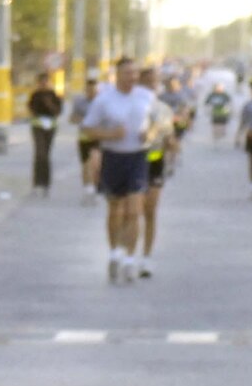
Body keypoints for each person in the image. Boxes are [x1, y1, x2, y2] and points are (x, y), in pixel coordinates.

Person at [79, 55, 158, 283]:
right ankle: (114, 252)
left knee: (134, 211)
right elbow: (87, 129)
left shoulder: (146, 96)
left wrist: (150, 133)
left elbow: (159, 121)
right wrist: (110, 135)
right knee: (116, 210)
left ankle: (129, 260)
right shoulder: (104, 100)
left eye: (134, 73)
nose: (131, 77)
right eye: (127, 73)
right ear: (117, 75)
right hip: (113, 157)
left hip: (138, 157)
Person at [135, 66, 177, 277]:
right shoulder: (131, 106)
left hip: (155, 161)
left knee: (150, 210)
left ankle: (146, 259)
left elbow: (169, 138)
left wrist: (172, 149)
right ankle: (128, 254)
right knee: (133, 211)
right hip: (133, 161)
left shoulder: (164, 109)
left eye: (154, 82)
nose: (152, 85)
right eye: (147, 81)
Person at [26, 71, 63, 196]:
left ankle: (46, 183)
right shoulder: (35, 95)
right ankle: (37, 183)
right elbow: (31, 109)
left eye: (45, 81)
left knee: (46, 155)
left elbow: (58, 111)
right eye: (41, 82)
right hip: (38, 126)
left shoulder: (53, 95)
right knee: (39, 153)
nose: (43, 84)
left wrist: (49, 104)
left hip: (50, 127)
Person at [68, 74, 101, 204]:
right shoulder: (79, 102)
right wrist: (83, 120)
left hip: (99, 136)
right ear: (85, 90)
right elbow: (72, 119)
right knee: (86, 164)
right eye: (88, 90)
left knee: (96, 163)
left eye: (93, 90)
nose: (91, 92)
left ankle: (96, 187)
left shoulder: (102, 102)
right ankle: (88, 188)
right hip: (84, 137)